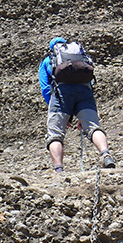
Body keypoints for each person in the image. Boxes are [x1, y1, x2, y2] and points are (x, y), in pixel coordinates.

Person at [38, 37, 116, 173]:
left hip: (61, 94)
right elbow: (89, 80)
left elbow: (45, 88)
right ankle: (105, 155)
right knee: (93, 127)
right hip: (85, 91)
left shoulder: (49, 59)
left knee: (55, 134)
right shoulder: (80, 57)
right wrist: (80, 112)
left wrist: (57, 108)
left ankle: (58, 170)